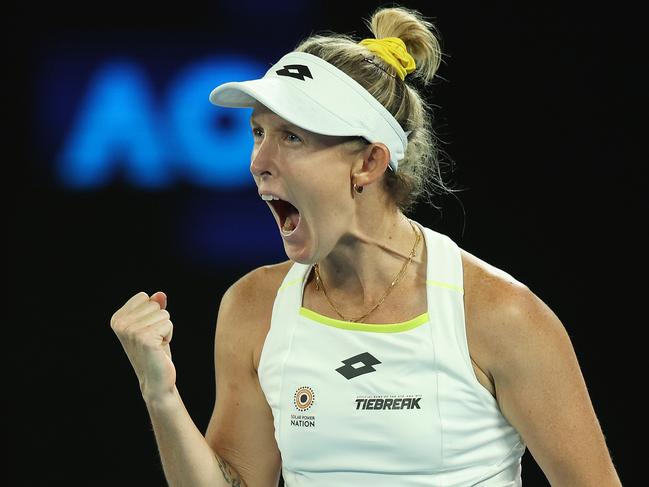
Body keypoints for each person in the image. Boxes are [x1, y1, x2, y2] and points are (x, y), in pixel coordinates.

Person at [110, 5, 622, 486]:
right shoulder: (252, 308)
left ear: (369, 164)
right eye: (258, 133)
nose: (258, 161)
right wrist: (161, 394)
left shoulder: (500, 314)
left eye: (291, 138)